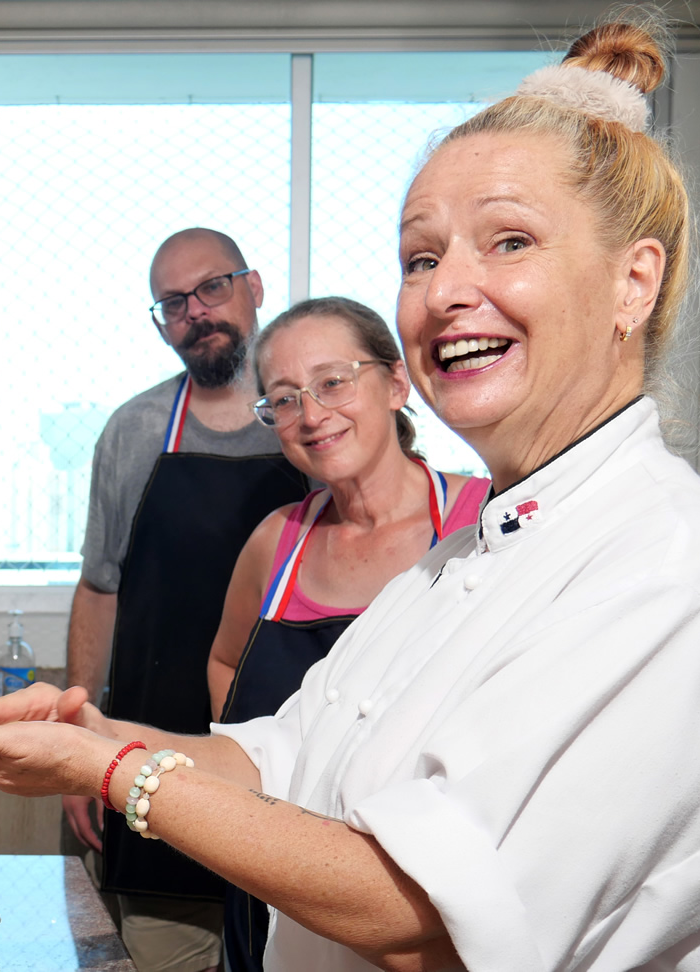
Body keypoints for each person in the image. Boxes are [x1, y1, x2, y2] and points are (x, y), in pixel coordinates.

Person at [0, 18, 700, 971]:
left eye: (509, 240)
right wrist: (99, 728)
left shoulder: (672, 574)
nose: (446, 290)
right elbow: (281, 759)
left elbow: (420, 906)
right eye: (422, 258)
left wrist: (110, 769)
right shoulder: (460, 563)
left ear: (633, 282)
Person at [205, 297, 490, 970]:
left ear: (396, 385)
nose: (310, 415)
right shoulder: (275, 545)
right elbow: (225, 661)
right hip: (272, 878)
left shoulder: (484, 522)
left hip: (420, 901)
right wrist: (256, 787)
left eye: (333, 382)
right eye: (283, 399)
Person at [64, 227, 308, 972]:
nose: (196, 312)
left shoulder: (312, 427)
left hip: (289, 781)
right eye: (173, 302)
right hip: (153, 769)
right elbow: (99, 591)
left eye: (212, 287)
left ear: (254, 287)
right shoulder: (134, 432)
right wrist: (80, 742)